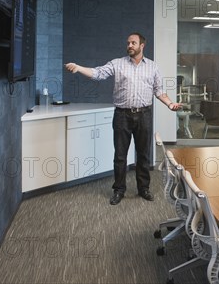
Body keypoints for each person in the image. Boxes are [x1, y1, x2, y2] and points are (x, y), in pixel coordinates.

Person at [65, 33, 181, 205]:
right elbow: (98, 73)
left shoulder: (153, 67)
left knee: (143, 155)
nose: (130, 45)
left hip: (144, 115)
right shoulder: (117, 63)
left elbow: (159, 91)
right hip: (122, 116)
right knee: (120, 156)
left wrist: (170, 104)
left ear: (142, 45)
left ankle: (144, 188)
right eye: (128, 43)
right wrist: (79, 68)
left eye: (133, 43)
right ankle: (119, 190)